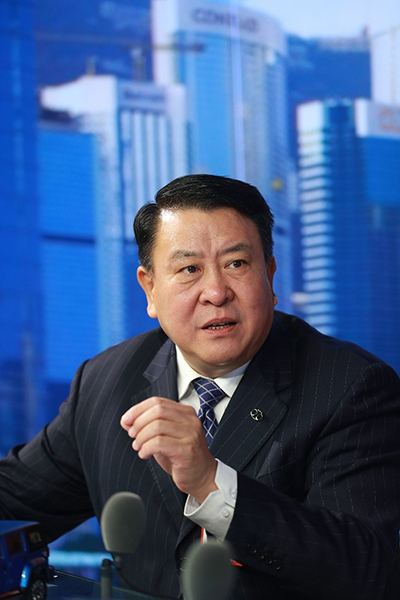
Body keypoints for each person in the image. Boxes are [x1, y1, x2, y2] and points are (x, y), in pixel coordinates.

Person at [0, 174, 399, 600]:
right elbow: (15, 499)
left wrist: (211, 482)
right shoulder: (105, 381)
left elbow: (367, 569)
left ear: (270, 274)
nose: (216, 292)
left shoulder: (351, 386)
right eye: (189, 269)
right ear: (150, 288)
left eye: (236, 264)